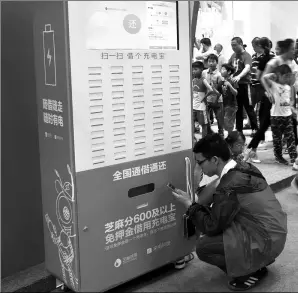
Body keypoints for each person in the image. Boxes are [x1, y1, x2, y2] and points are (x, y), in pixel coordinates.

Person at [172, 133, 287, 291]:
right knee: (210, 218)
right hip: (275, 233)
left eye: (200, 163)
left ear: (214, 160)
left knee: (204, 247)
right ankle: (257, 263)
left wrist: (189, 205)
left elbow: (212, 225)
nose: (198, 167)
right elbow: (210, 201)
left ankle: (249, 271)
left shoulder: (229, 184)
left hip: (266, 241)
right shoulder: (242, 168)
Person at [244, 37, 276, 163]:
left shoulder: (270, 58)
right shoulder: (269, 59)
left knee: (266, 123)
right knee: (264, 124)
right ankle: (252, 150)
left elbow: (260, 76)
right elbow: (260, 77)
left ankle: (252, 150)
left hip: (273, 94)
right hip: (270, 95)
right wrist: (268, 90)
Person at [262, 38, 298, 147]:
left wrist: (292, 101)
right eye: (292, 48)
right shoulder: (276, 61)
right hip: (275, 96)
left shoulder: (292, 62)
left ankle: (292, 147)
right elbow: (264, 77)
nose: (294, 50)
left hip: (287, 95)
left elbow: (292, 84)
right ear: (286, 49)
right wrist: (268, 91)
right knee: (266, 125)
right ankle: (253, 149)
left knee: (290, 121)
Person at [263, 64, 298, 167]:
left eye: (288, 76)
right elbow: (265, 77)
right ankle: (279, 157)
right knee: (277, 139)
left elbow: (291, 100)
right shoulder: (274, 84)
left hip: (287, 116)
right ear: (279, 75)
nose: (287, 78)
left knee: (290, 137)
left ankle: (293, 158)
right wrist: (275, 75)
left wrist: (292, 110)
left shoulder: (289, 87)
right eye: (285, 76)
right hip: (275, 116)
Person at [228, 37, 259, 135]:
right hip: (235, 86)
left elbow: (247, 68)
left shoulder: (247, 55)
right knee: (238, 108)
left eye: (234, 45)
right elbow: (227, 67)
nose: (233, 47)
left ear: (241, 44)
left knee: (249, 107)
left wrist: (239, 76)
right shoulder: (233, 55)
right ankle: (239, 129)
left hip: (245, 85)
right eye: (231, 45)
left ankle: (255, 128)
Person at [202, 54, 224, 138]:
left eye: (213, 61)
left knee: (219, 119)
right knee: (206, 119)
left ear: (217, 62)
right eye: (209, 61)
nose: (211, 63)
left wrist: (216, 99)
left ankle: (221, 135)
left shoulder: (219, 75)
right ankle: (209, 134)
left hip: (218, 101)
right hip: (207, 100)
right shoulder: (204, 73)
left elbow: (220, 90)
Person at [192, 61, 213, 138]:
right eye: (193, 69)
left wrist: (205, 97)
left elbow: (211, 90)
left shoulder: (203, 79)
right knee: (192, 122)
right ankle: (193, 138)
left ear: (201, 69)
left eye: (196, 69)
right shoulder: (193, 80)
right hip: (194, 105)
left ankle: (204, 140)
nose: (194, 71)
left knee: (204, 124)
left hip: (201, 107)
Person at [218, 63, 238, 134]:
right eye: (221, 69)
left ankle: (232, 138)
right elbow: (219, 93)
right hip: (224, 105)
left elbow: (236, 93)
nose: (221, 71)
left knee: (228, 123)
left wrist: (230, 86)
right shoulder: (221, 82)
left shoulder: (233, 81)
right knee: (225, 123)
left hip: (232, 105)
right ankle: (231, 137)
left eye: (223, 69)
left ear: (229, 72)